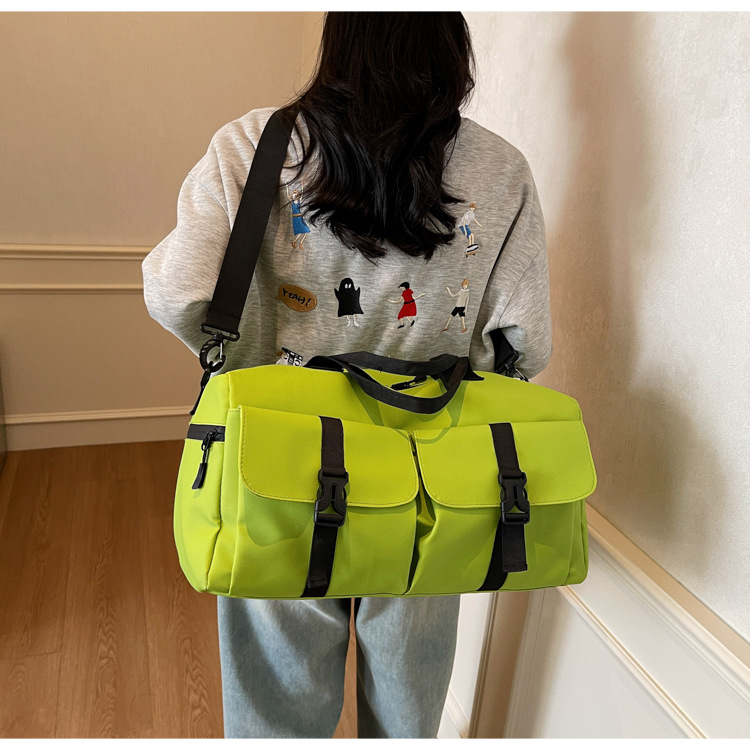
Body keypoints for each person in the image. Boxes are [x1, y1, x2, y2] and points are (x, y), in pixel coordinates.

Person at [141, 11, 551, 739]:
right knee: (409, 694)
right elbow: (524, 341)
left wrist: (246, 358)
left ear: (341, 40)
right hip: (433, 471)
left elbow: (178, 291)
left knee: (278, 696)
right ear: (450, 47)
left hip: (275, 456)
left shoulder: (254, 146)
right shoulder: (501, 169)